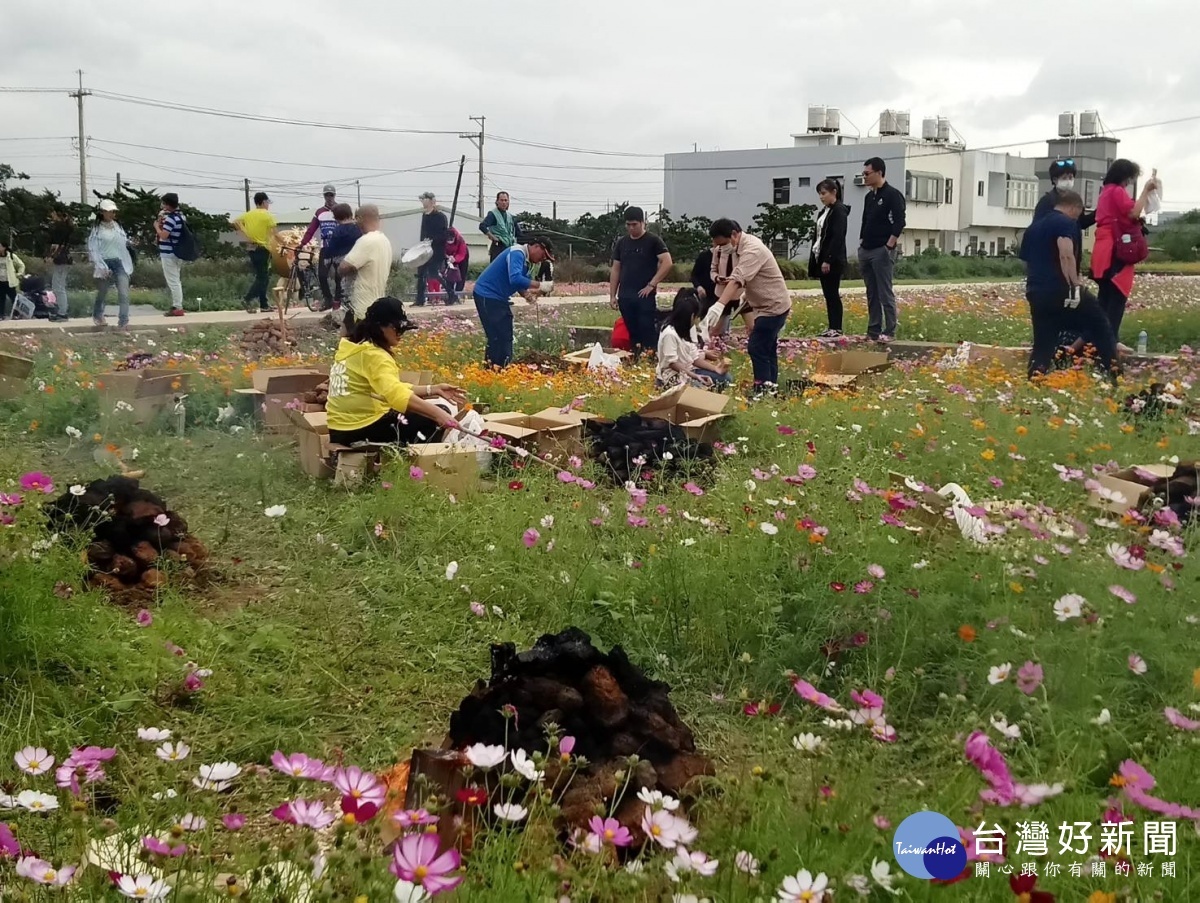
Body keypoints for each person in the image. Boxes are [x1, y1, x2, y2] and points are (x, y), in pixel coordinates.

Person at [326, 296, 466, 446]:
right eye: (397, 328)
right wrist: (439, 415)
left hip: (339, 429)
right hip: (358, 429)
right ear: (380, 326)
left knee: (428, 411)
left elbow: (391, 388)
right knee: (433, 416)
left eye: (404, 329)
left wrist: (432, 389)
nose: (400, 334)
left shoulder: (353, 347)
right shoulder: (374, 355)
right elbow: (395, 394)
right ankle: (416, 461)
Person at [1019, 189, 1117, 379]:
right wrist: (1075, 284)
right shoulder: (1065, 222)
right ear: (1074, 207)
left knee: (1043, 342)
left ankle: (1034, 380)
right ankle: (1114, 373)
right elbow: (1065, 253)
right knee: (1100, 323)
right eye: (1079, 213)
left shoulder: (1033, 228)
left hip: (1036, 291)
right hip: (1061, 288)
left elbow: (1027, 260)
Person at [703, 219, 792, 393]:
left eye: (722, 243)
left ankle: (762, 390)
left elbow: (737, 279)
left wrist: (720, 305)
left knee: (757, 347)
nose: (721, 248)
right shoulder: (739, 246)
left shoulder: (752, 250)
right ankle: (770, 387)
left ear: (734, 235)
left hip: (773, 306)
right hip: (762, 305)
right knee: (767, 348)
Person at [1092, 158, 1158, 347]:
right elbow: (1134, 213)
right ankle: (1110, 342)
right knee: (1117, 295)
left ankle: (1099, 340)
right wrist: (1146, 191)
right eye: (1130, 178)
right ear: (1125, 177)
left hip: (1102, 247)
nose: (1130, 182)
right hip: (1115, 246)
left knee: (1105, 296)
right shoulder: (1116, 191)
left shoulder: (1105, 192)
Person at [471, 236, 555, 368]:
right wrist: (540, 285)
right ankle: (498, 368)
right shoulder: (517, 252)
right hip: (487, 294)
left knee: (501, 334)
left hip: (497, 297)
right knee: (499, 335)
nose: (542, 259)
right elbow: (515, 279)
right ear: (537, 246)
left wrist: (527, 295)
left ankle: (495, 368)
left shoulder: (527, 262)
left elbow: (518, 283)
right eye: (543, 255)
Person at [609, 206, 673, 356]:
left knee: (647, 329)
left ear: (643, 223)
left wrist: (652, 284)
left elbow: (667, 262)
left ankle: (650, 357)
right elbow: (616, 269)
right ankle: (636, 358)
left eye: (635, 225)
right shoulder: (622, 243)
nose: (631, 228)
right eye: (628, 225)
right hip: (625, 295)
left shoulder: (653, 240)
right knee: (632, 331)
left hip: (645, 295)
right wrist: (612, 295)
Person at [857, 157, 906, 342]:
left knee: (885, 291)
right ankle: (873, 329)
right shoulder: (869, 196)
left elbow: (900, 221)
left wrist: (889, 245)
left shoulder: (892, 194)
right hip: (866, 249)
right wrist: (861, 242)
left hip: (881, 249)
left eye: (867, 174)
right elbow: (865, 220)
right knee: (872, 292)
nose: (865, 177)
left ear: (879, 172)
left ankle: (890, 330)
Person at [656, 288, 731, 389]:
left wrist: (715, 369)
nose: (697, 320)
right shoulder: (670, 333)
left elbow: (694, 358)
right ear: (691, 316)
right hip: (673, 375)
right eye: (696, 317)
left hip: (689, 371)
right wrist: (695, 376)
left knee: (725, 378)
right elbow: (672, 363)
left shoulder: (686, 330)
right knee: (700, 386)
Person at [338, 205, 393, 331]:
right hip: (375, 305)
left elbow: (343, 267)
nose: (356, 224)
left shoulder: (366, 241)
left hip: (361, 308)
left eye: (356, 220)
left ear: (360, 218)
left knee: (353, 345)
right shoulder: (384, 240)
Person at [808, 179, 849, 338]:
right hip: (821, 255)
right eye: (819, 193)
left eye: (824, 193)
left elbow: (837, 236)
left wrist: (828, 259)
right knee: (828, 293)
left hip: (832, 259)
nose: (821, 197)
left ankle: (836, 327)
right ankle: (832, 326)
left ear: (834, 192)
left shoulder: (839, 210)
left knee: (832, 293)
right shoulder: (824, 211)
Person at [86, 199, 136, 330]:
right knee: (103, 292)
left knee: (124, 293)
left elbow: (123, 242)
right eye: (109, 212)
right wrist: (101, 266)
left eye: (113, 212)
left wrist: (131, 243)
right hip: (104, 263)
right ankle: (98, 315)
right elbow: (93, 249)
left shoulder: (117, 226)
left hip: (119, 262)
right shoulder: (97, 230)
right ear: (102, 212)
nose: (112, 214)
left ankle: (123, 322)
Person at [233, 192, 280, 314]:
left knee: (262, 276)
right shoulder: (267, 215)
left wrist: (246, 234)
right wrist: (286, 242)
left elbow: (235, 222)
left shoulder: (248, 215)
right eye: (267, 203)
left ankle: (264, 304)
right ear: (263, 202)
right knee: (262, 278)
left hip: (252, 248)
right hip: (263, 248)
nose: (268, 205)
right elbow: (276, 233)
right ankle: (247, 299)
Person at [300, 184, 339, 311]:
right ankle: (328, 299)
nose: (329, 197)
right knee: (322, 275)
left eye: (331, 195)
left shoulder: (340, 210)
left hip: (338, 248)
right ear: (324, 196)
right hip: (325, 247)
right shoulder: (319, 212)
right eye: (327, 195)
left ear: (334, 195)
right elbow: (311, 229)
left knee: (340, 276)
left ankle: (337, 301)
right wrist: (302, 243)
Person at [415, 192, 454, 306]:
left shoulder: (440, 217)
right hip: (425, 249)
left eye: (425, 199)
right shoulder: (424, 215)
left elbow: (444, 234)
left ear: (432, 201)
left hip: (436, 250)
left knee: (434, 273)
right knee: (421, 273)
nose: (423, 201)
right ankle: (420, 299)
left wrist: (432, 240)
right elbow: (423, 233)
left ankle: (451, 294)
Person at [321, 203, 360, 309]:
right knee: (355, 283)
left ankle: (341, 305)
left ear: (336, 217)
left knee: (342, 284)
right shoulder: (357, 228)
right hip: (357, 261)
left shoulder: (337, 231)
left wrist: (327, 261)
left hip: (341, 262)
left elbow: (331, 248)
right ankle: (354, 304)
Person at [154, 192, 187, 317]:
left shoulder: (171, 219)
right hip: (178, 252)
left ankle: (177, 307)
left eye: (163, 203)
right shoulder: (181, 217)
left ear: (167, 204)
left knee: (173, 281)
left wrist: (157, 227)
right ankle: (177, 305)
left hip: (169, 253)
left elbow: (164, 235)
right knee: (176, 280)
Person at [46, 208, 74, 319]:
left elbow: (57, 245)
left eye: (53, 215)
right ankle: (62, 310)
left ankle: (62, 312)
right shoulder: (66, 228)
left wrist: (50, 256)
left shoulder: (61, 228)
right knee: (59, 286)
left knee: (58, 287)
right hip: (64, 260)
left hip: (62, 260)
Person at [480, 191, 523, 261]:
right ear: (497, 202)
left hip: (509, 246)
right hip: (498, 246)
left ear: (508, 202)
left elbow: (519, 234)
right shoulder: (493, 214)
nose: (504, 202)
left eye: (506, 200)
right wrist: (492, 237)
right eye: (501, 200)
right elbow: (482, 226)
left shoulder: (510, 216)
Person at [0, 240, 26, 318]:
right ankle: (1, 314)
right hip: (0, 281)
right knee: (1, 299)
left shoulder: (11, 256)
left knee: (14, 298)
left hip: (9, 281)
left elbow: (21, 265)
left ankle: (17, 314)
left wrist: (19, 274)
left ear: (4, 247)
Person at [445, 225, 469, 295]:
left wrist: (455, 259)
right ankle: (450, 292)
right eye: (448, 240)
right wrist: (447, 256)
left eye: (451, 239)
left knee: (462, 274)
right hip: (448, 256)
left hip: (461, 255)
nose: (449, 241)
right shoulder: (442, 240)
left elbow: (462, 253)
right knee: (449, 274)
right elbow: (441, 251)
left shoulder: (460, 240)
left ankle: (458, 293)